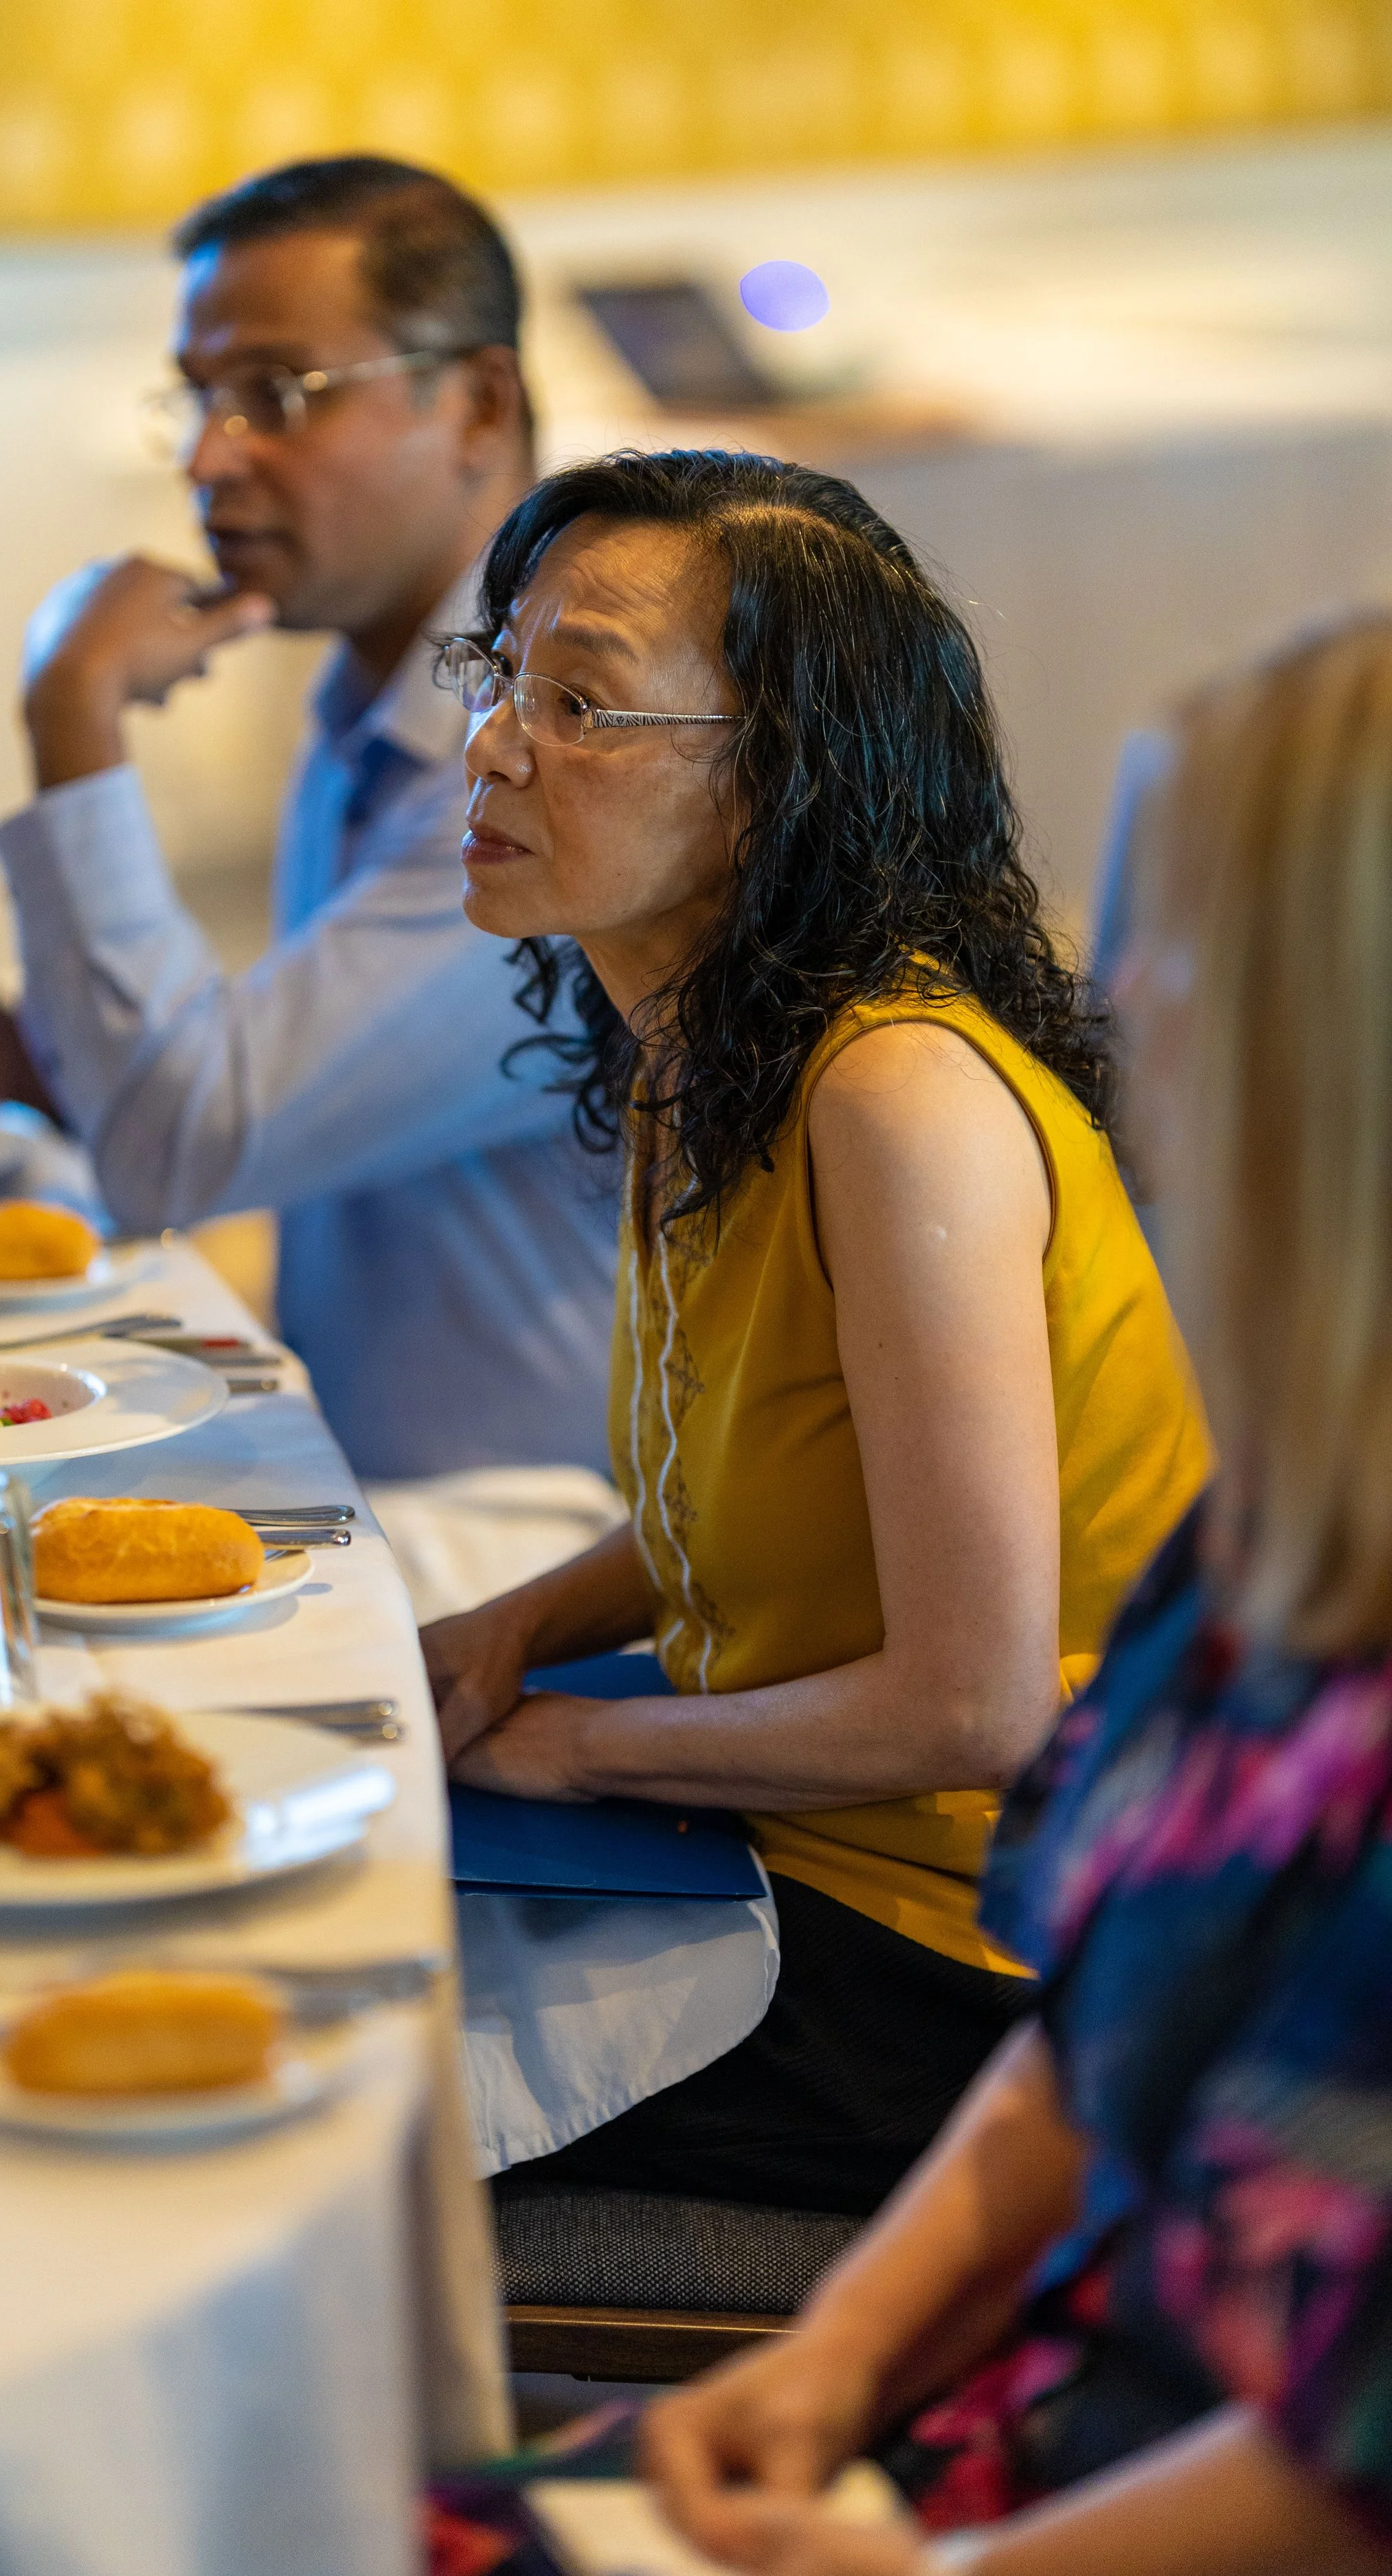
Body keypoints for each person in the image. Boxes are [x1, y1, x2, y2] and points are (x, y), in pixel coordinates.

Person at [638, 611, 1392, 2576]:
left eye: (1188, 932)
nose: (1120, 989)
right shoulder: (1266, 1564)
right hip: (1004, 2460)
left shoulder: (894, 1095)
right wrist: (826, 2363)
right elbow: (1070, 2048)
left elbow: (1344, 2468)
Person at [422, 449, 1211, 2208]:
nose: (489, 746)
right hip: (776, 1840)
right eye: (498, 676)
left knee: (306, 2089)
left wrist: (575, 1744)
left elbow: (974, 1707)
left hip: (972, 1948)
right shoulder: (697, 1059)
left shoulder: (892, 1096)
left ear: (778, 783)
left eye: (582, 704)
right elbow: (762, 1504)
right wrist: (511, 1630)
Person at [0, 157, 620, 1488]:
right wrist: (38, 1073)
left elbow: (187, 1152)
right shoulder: (380, 696)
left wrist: (72, 717)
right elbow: (263, 1112)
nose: (205, 458)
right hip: (373, 1483)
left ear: (477, 404)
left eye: (275, 396)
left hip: (553, 1567)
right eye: (196, 399)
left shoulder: (539, 757)